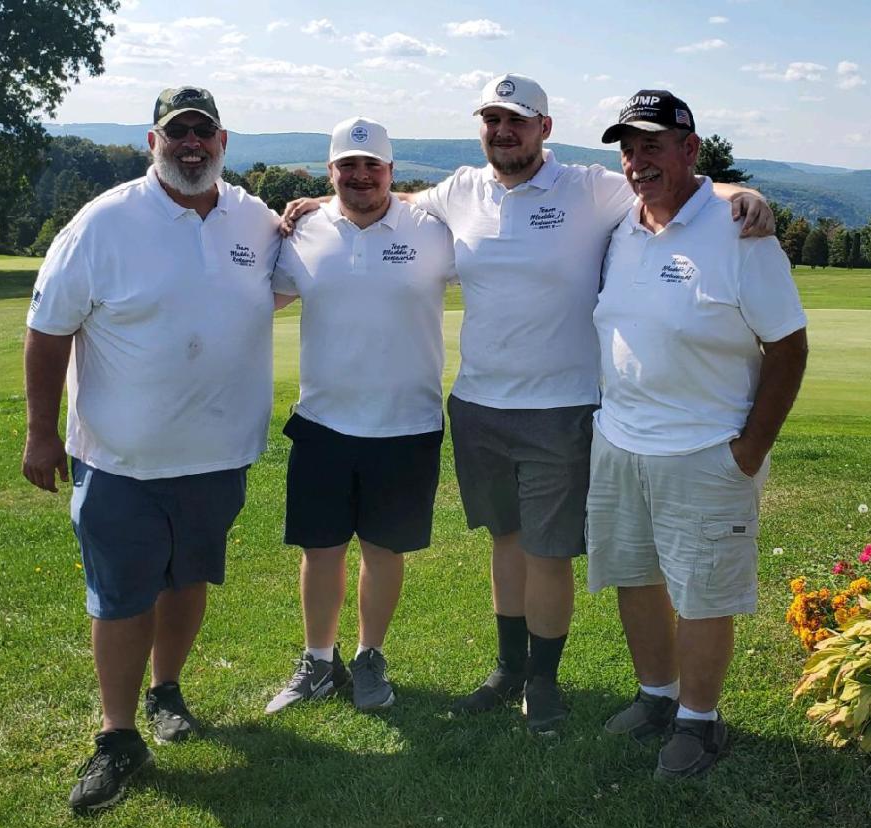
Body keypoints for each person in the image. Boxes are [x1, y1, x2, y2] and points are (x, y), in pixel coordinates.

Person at [282, 73, 773, 735]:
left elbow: (672, 188)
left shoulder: (587, 188)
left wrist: (740, 192)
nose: (503, 131)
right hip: (479, 401)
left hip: (561, 404)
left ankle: (542, 678)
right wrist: (319, 198)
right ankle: (508, 667)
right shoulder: (460, 190)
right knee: (506, 540)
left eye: (517, 120)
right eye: (492, 120)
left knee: (547, 550)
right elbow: (385, 202)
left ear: (544, 128)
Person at [22, 86, 282, 812]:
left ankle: (167, 691)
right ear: (152, 141)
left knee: (187, 579)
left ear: (223, 140)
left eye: (203, 131)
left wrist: (311, 211)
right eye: (178, 132)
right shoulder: (103, 223)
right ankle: (117, 735)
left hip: (215, 456)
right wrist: (42, 432)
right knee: (121, 595)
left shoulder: (252, 218)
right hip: (121, 462)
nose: (191, 143)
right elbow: (47, 330)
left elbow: (279, 279)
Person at [587, 90, 808, 779]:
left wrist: (749, 449)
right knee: (635, 574)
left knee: (704, 592)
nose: (636, 161)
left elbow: (790, 347)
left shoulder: (741, 231)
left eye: (652, 144)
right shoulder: (623, 223)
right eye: (628, 148)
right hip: (620, 440)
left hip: (705, 449)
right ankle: (657, 696)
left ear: (690, 149)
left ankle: (699, 722)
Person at [265, 118, 455, 715]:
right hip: (323, 421)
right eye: (348, 165)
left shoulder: (433, 229)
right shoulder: (303, 233)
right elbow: (260, 298)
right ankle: (319, 661)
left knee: (382, 551)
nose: (361, 175)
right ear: (331, 173)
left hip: (406, 423)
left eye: (373, 165)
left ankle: (370, 656)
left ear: (392, 173)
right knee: (320, 549)